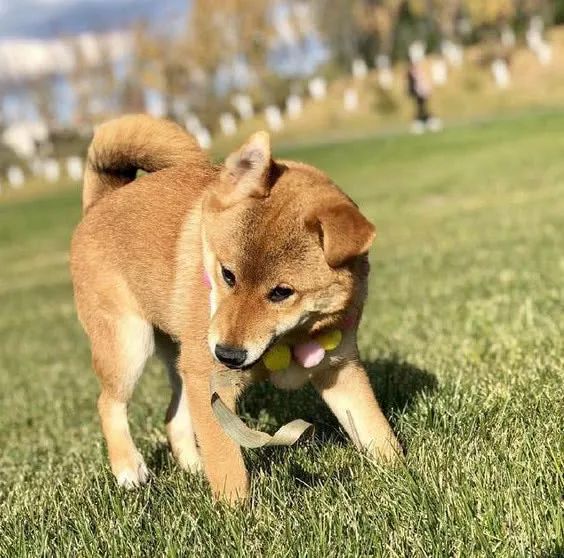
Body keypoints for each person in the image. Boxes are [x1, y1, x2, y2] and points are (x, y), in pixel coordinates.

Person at [407, 60, 442, 133]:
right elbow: (412, 85)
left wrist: (426, 90)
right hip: (418, 93)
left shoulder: (418, 72)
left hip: (421, 92)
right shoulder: (412, 73)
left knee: (423, 108)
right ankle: (423, 121)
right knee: (421, 108)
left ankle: (426, 121)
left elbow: (422, 82)